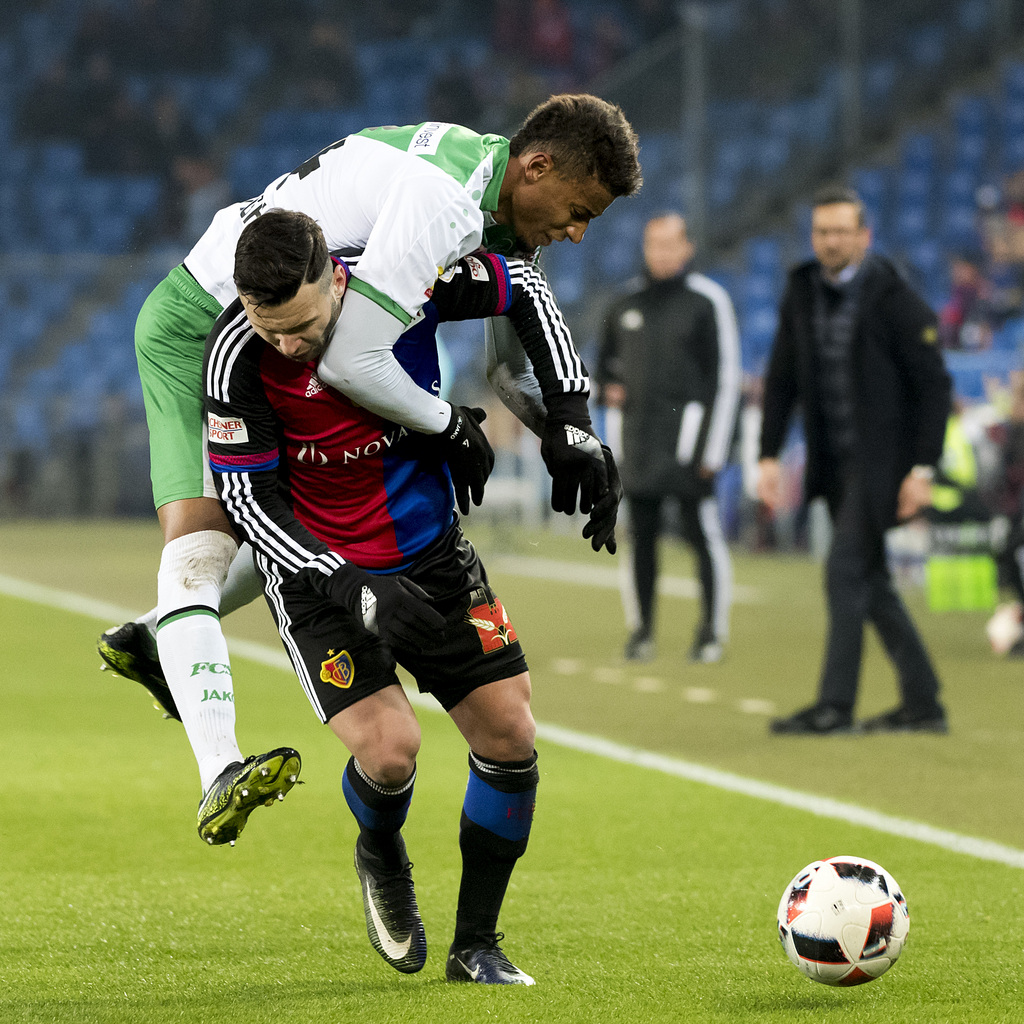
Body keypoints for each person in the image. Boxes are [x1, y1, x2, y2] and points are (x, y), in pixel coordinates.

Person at [98, 94, 639, 840]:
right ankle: (217, 763)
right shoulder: (441, 204)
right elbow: (355, 359)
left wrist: (573, 432)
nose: (577, 231)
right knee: (200, 545)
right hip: (207, 325)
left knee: (314, 502)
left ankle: (162, 633)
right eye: (580, 209)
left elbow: (510, 362)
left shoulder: (484, 188)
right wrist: (449, 423)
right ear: (537, 167)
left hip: (293, 334)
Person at [205, 209, 565, 983]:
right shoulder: (236, 355)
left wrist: (569, 418)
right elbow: (251, 504)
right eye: (272, 330)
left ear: (336, 277)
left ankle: (477, 946)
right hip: (318, 578)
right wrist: (346, 579)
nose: (289, 345)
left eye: (301, 325)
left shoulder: (406, 280)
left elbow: (525, 282)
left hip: (433, 555)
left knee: (510, 734)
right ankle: (379, 849)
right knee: (393, 752)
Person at [759, 184, 952, 735]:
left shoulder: (895, 299)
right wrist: (768, 454)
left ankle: (834, 707)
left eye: (842, 231)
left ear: (864, 237)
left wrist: (922, 470)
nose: (831, 240)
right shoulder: (801, 290)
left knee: (844, 571)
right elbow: (782, 379)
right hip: (832, 464)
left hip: (883, 465)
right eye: (822, 231)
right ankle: (924, 703)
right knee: (871, 580)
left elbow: (934, 386)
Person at [596, 213, 740, 663]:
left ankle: (711, 633)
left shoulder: (707, 301)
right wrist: (609, 400)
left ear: (686, 248)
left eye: (669, 243)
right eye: (653, 243)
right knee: (641, 540)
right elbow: (602, 374)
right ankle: (642, 633)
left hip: (690, 445)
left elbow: (727, 378)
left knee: (702, 536)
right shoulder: (623, 303)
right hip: (638, 445)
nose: (660, 252)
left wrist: (713, 450)